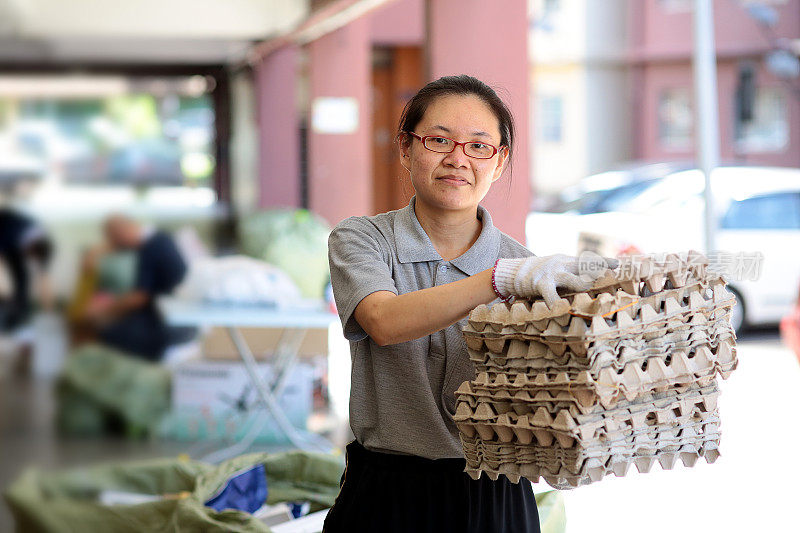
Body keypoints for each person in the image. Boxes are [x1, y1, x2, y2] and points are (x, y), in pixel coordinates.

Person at [323, 75, 613, 533]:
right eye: (439, 140)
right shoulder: (362, 239)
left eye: (479, 146)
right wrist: (498, 280)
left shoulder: (527, 268)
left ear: (499, 163)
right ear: (406, 148)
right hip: (384, 492)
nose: (458, 159)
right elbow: (382, 320)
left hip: (495, 496)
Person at [82, 215, 191, 361]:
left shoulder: (152, 247)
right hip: (171, 316)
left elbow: (139, 298)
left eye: (115, 240)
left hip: (171, 322)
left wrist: (104, 313)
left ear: (121, 232)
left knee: (113, 333)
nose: (116, 245)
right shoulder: (161, 239)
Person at [0, 207, 53, 332]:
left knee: (23, 279)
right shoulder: (10, 233)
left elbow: (44, 277)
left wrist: (48, 312)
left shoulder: (43, 245)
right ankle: (12, 313)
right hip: (5, 230)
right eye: (30, 256)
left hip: (20, 237)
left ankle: (21, 313)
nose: (30, 260)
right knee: (19, 274)